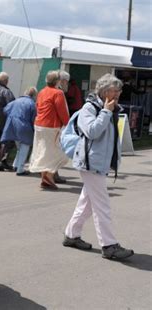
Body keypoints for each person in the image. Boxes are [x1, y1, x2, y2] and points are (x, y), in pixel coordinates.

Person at [63, 73, 133, 260]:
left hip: (97, 163)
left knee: (86, 204)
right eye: (114, 89)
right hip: (90, 164)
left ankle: (71, 235)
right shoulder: (90, 108)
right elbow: (92, 131)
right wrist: (106, 112)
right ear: (103, 91)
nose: (118, 92)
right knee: (102, 206)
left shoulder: (109, 108)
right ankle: (109, 246)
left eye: (119, 89)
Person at [29, 70, 69, 189]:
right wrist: (68, 124)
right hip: (51, 126)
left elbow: (38, 106)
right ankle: (48, 177)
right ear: (58, 81)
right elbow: (62, 111)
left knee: (43, 151)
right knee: (57, 152)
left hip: (39, 124)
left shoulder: (41, 91)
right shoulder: (58, 93)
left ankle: (45, 178)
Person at [0, 86, 37, 176]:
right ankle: (20, 169)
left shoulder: (15, 101)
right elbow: (34, 118)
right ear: (34, 95)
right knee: (25, 147)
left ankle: (15, 165)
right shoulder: (32, 104)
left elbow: (5, 110)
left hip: (12, 126)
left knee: (19, 147)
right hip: (24, 127)